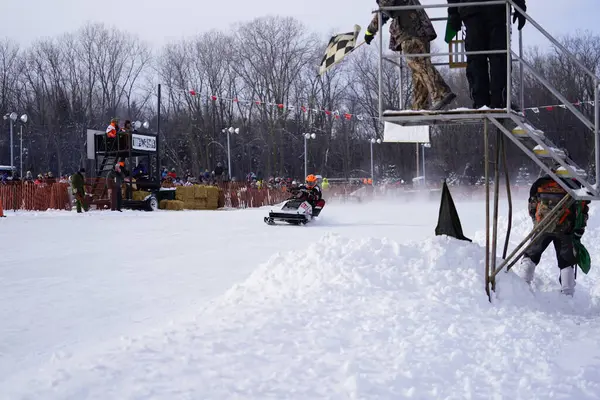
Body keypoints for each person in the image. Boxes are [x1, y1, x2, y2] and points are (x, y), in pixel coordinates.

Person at [365, 0, 456, 111]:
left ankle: (441, 93)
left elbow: (385, 7)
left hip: (409, 30)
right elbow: (386, 11)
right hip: (419, 29)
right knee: (418, 70)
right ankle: (419, 106)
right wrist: (371, 30)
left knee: (419, 64)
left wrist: (370, 30)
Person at [519, 173, 589, 296]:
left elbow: (532, 205)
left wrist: (537, 223)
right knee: (566, 261)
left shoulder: (542, 182)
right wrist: (578, 230)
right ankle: (568, 294)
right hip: (565, 228)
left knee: (530, 255)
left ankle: (522, 285)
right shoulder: (574, 184)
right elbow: (581, 210)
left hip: (543, 226)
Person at [447, 0, 526, 109]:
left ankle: (487, 102)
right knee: (496, 58)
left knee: (484, 58)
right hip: (488, 9)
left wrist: (453, 11)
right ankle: (495, 102)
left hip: (477, 10)